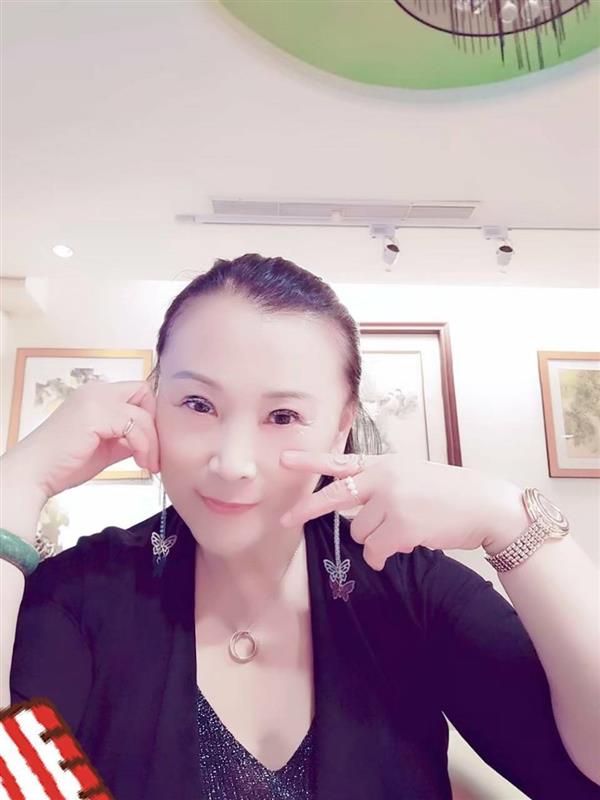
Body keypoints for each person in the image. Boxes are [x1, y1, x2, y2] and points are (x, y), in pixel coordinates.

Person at [1, 253, 599, 800]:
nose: (232, 463)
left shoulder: (409, 590)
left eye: (283, 415)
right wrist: (20, 480)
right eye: (199, 405)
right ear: (153, 400)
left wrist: (509, 518)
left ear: (340, 428)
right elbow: (24, 785)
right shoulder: (83, 593)